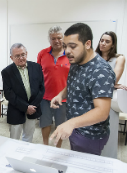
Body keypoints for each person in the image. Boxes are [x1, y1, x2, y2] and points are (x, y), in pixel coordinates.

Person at [50, 23, 115, 156]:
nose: (67, 51)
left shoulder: (101, 70)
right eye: (65, 46)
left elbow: (102, 111)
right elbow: (73, 83)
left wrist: (71, 122)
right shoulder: (76, 60)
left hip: (90, 135)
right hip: (76, 128)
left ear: (87, 44)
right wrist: (60, 95)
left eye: (72, 46)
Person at [1, 43, 45, 142]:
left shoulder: (36, 67)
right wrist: (25, 107)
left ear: (26, 54)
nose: (21, 58)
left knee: (28, 137)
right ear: (11, 57)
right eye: (17, 56)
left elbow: (41, 88)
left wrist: (32, 107)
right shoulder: (7, 72)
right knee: (14, 139)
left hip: (33, 108)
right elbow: (8, 93)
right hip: (16, 109)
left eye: (23, 54)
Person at [37, 26, 70, 148]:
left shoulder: (70, 53)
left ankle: (58, 147)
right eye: (53, 38)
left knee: (60, 125)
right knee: (45, 123)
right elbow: (38, 74)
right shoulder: (42, 53)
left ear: (63, 38)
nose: (56, 41)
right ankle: (45, 145)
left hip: (63, 98)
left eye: (59, 38)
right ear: (49, 40)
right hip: (45, 97)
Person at [95, 31, 126, 158]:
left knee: (109, 134)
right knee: (92, 135)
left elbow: (113, 80)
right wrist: (111, 83)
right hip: (92, 101)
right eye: (102, 40)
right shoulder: (93, 57)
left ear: (113, 45)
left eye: (107, 41)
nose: (103, 43)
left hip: (109, 103)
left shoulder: (119, 58)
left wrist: (113, 83)